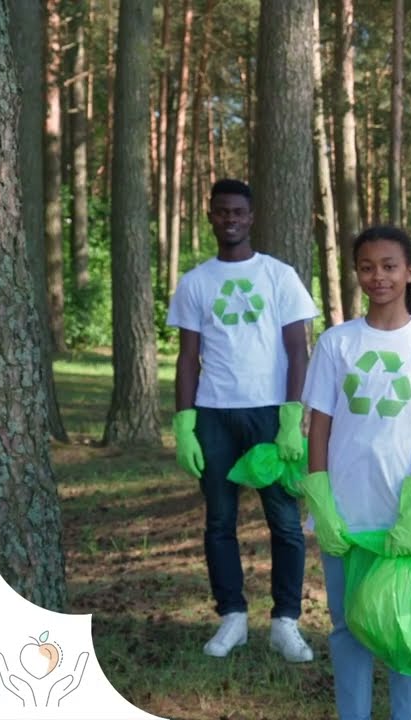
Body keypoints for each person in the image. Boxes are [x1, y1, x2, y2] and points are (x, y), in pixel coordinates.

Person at [301, 224, 411, 720]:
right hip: (346, 515)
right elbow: (320, 428)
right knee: (346, 626)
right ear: (357, 273)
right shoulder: (336, 343)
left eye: (390, 267)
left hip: (403, 516)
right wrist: (321, 503)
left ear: (410, 273)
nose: (379, 277)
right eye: (368, 267)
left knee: (406, 625)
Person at [167, 178, 318, 661]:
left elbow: (299, 350)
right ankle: (231, 616)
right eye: (220, 212)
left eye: (237, 212)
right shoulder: (195, 282)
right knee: (219, 521)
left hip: (270, 414)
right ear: (210, 216)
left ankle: (285, 621)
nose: (229, 219)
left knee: (286, 523)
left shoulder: (279, 276)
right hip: (214, 415)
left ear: (250, 218)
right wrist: (184, 421)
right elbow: (188, 358)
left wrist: (292, 416)